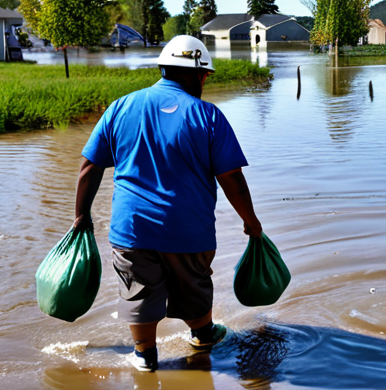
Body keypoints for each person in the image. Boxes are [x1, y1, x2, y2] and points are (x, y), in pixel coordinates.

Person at [73, 35, 263, 372]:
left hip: (132, 228)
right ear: (195, 74)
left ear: (164, 68)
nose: (205, 81)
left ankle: (145, 355)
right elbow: (230, 176)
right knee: (194, 282)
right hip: (188, 228)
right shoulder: (208, 115)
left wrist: (80, 217)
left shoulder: (121, 107)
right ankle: (203, 335)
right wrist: (250, 221)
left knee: (137, 291)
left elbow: (90, 165)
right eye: (205, 75)